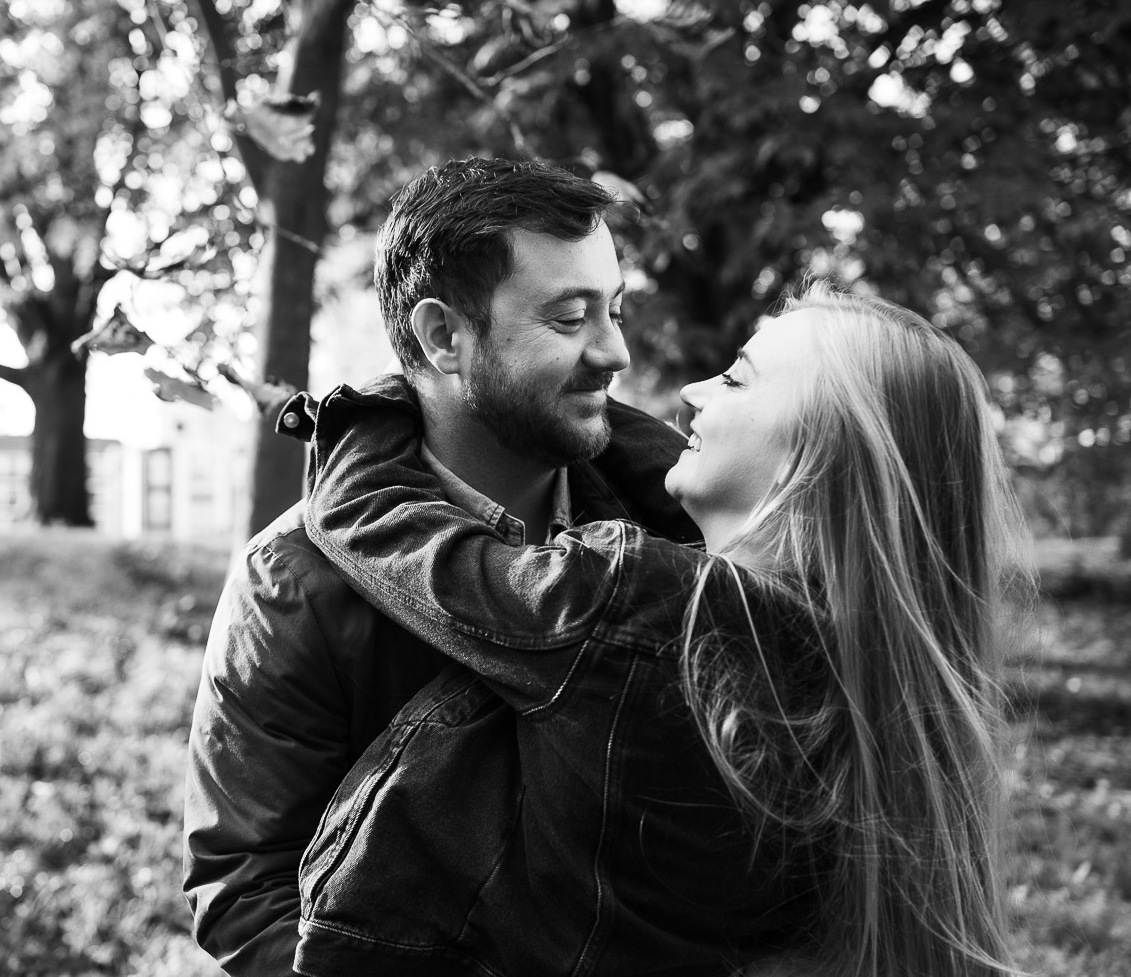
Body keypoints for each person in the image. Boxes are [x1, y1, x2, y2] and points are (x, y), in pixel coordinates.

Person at [287, 280, 1031, 977]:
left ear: (817, 456)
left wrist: (387, 401)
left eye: (735, 378)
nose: (691, 392)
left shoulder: (640, 605)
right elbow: (668, 471)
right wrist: (571, 403)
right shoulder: (880, 674)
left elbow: (372, 518)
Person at [182, 157, 701, 975]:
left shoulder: (683, 528)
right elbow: (247, 888)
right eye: (570, 319)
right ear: (443, 336)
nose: (616, 352)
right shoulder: (293, 583)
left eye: (617, 310)